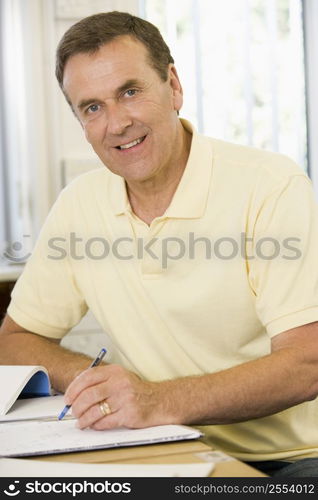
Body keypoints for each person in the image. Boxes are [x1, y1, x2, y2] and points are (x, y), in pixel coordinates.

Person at [1, 11, 318, 477]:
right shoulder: (80, 204)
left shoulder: (270, 185)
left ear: (173, 86)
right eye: (92, 107)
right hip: (156, 445)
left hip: (288, 460)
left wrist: (155, 398)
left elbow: (306, 363)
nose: (116, 123)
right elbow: (15, 341)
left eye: (129, 92)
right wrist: (103, 384)